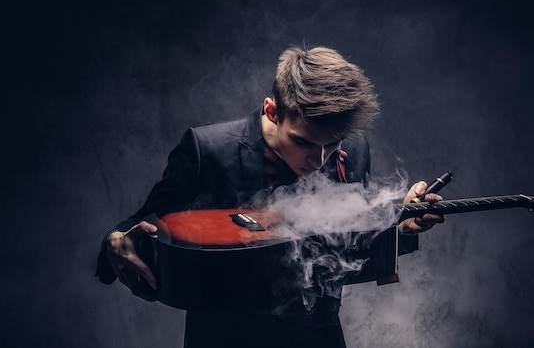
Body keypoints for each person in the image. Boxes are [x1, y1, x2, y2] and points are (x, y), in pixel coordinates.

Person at [96, 46, 444, 347]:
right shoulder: (208, 150)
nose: (319, 160)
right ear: (272, 111)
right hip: (224, 341)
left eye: (332, 144)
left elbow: (348, 248)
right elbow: (146, 220)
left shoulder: (354, 149)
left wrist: (399, 226)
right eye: (303, 142)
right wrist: (115, 240)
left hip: (318, 336)